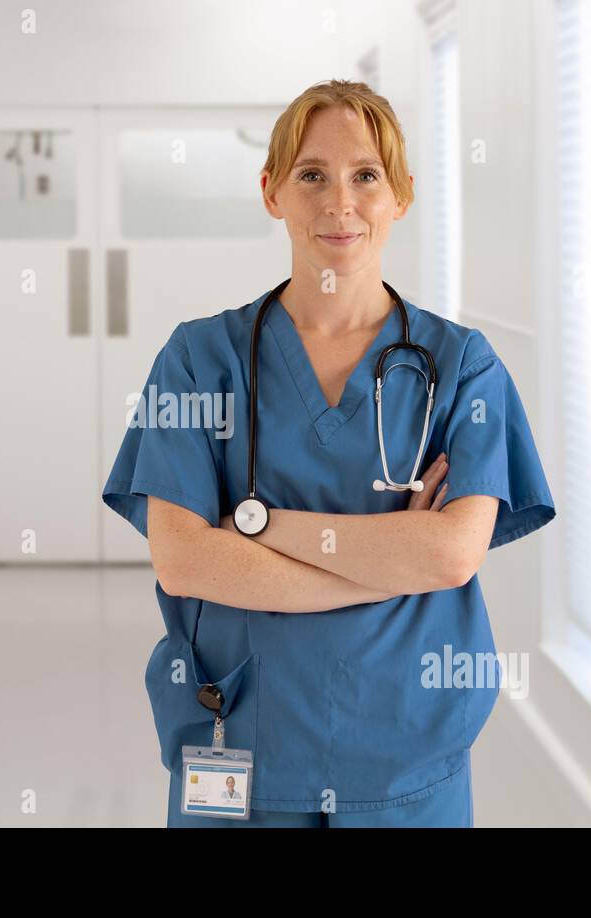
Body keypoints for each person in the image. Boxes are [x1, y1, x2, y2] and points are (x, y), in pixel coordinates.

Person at [102, 79, 555, 828]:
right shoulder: (197, 360)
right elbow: (184, 561)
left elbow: (449, 556)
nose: (339, 201)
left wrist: (255, 526)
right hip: (241, 746)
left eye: (365, 175)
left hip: (406, 762)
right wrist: (384, 569)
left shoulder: (462, 366)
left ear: (402, 192)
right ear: (271, 191)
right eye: (311, 174)